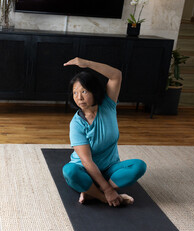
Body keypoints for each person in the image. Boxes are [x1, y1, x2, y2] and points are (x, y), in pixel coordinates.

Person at [62, 57, 147, 207]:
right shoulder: (76, 124)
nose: (79, 97)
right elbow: (86, 161)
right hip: (84, 169)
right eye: (75, 92)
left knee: (139, 166)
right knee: (69, 171)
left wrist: (87, 64)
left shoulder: (108, 105)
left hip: (110, 168)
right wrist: (108, 191)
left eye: (84, 91)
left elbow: (116, 75)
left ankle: (91, 191)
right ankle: (103, 197)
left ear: (94, 91)